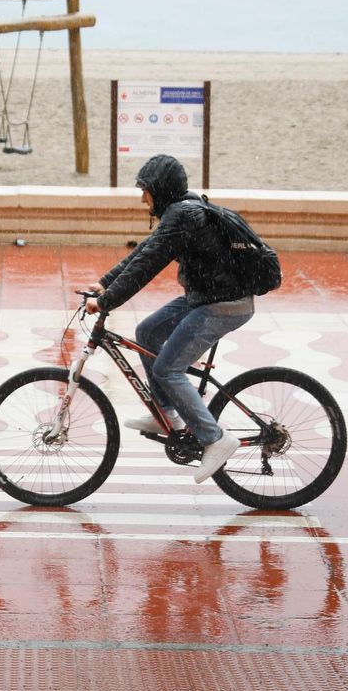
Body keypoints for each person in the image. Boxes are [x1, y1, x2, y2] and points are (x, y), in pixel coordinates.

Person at [83, 153, 252, 483]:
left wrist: (105, 302)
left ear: (159, 190)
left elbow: (146, 267)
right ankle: (168, 414)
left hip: (223, 304)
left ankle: (216, 439)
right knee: (147, 332)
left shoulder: (183, 216)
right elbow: (146, 251)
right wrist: (105, 282)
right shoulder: (182, 209)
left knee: (167, 369)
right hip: (206, 295)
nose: (142, 198)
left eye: (145, 191)